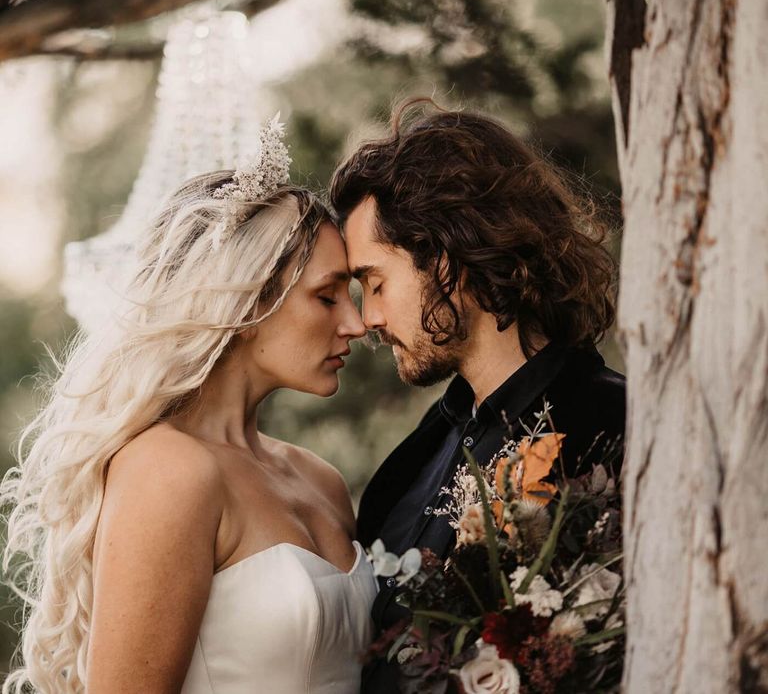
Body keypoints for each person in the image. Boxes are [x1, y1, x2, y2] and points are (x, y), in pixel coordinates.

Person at [0, 119, 376, 694]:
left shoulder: (319, 479)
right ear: (248, 299)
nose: (355, 323)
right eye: (326, 297)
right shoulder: (167, 471)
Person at [330, 100, 627, 693]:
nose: (369, 319)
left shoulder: (614, 425)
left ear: (446, 260)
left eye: (376, 284)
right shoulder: (412, 462)